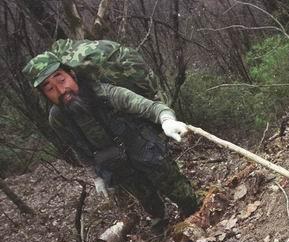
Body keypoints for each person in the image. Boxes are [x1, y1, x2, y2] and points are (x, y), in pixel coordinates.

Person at [22, 51, 199, 230]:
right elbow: (78, 147)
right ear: (44, 95)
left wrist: (166, 119)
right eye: (50, 88)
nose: (61, 91)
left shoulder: (104, 93)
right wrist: (96, 176)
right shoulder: (58, 118)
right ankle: (159, 218)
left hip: (140, 145)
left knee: (172, 184)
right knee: (142, 194)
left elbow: (147, 106)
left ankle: (194, 209)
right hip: (114, 160)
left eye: (61, 80)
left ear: (72, 75)